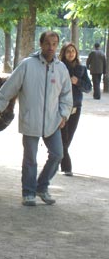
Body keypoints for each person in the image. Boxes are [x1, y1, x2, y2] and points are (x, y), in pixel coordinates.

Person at [0, 31, 73, 206]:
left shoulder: (61, 69)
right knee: (30, 158)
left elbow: (66, 95)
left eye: (54, 44)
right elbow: (10, 86)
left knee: (58, 154)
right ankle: (28, 192)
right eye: (48, 43)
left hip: (53, 121)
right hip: (30, 119)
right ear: (41, 44)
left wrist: (63, 114)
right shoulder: (27, 65)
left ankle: (42, 186)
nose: (51, 47)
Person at [59, 42, 92, 176]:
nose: (71, 53)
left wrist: (77, 82)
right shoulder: (58, 67)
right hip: (60, 107)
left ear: (76, 53)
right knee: (62, 138)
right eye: (68, 51)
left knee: (68, 138)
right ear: (64, 53)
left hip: (76, 107)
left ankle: (54, 160)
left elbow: (88, 88)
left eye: (73, 51)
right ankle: (67, 168)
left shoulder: (81, 69)